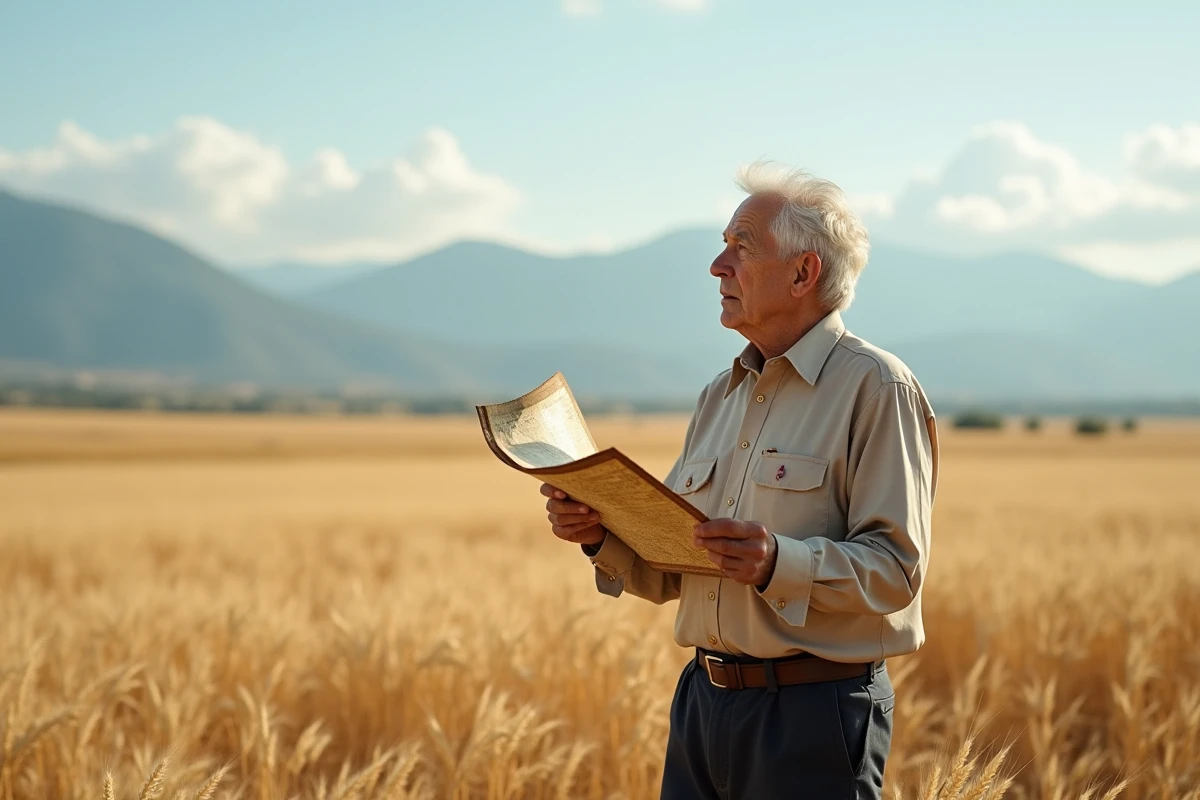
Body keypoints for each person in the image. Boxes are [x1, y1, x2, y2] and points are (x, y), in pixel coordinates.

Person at [541, 162, 939, 799]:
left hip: (815, 713)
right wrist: (598, 535)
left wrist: (778, 562)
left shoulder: (876, 387)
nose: (717, 266)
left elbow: (898, 572)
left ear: (804, 272)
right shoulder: (718, 397)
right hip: (702, 705)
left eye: (741, 248)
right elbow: (677, 566)